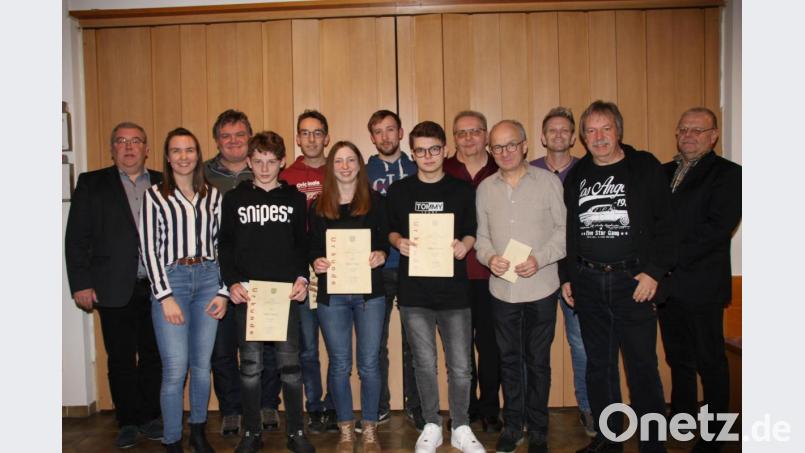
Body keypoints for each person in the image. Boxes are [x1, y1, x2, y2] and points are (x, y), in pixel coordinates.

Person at [561, 101, 674, 453]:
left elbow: (668, 226)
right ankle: (609, 441)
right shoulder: (578, 175)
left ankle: (652, 445)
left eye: (605, 128)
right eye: (591, 131)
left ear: (619, 131)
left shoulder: (644, 167)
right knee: (599, 367)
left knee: (642, 368)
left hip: (633, 284)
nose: (598, 137)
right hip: (589, 284)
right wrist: (568, 276)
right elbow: (570, 230)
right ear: (583, 137)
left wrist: (654, 273)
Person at [387, 121, 485, 453]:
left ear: (444, 150)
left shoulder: (461, 190)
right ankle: (431, 423)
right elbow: (390, 230)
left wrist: (465, 245)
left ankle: (460, 425)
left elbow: (473, 229)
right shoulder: (400, 190)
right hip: (414, 293)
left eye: (433, 149)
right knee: (423, 362)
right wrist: (398, 240)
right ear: (412, 153)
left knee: (460, 365)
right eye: (420, 150)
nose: (427, 156)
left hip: (454, 292)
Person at [65, 122, 163, 449]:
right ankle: (128, 421)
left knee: (155, 355)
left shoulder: (164, 182)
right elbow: (76, 239)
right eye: (121, 141)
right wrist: (80, 283)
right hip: (112, 285)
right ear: (112, 149)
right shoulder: (92, 183)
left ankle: (151, 417)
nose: (129, 147)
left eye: (136, 141)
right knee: (121, 357)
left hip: (158, 287)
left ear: (146, 148)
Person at [218, 130, 315, 453]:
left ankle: (296, 433)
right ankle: (251, 433)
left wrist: (302, 277)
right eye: (257, 161)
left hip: (285, 295)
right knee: (250, 367)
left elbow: (302, 245)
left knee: (290, 367)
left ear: (282, 162)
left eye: (271, 162)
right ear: (249, 161)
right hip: (248, 294)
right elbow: (226, 245)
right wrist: (231, 282)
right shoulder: (234, 199)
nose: (263, 168)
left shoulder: (296, 199)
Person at [475, 119, 566, 453]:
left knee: (537, 361)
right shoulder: (485, 188)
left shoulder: (548, 183)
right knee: (508, 361)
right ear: (491, 151)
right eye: (497, 147)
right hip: (502, 290)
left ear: (526, 145)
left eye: (511, 144)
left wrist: (539, 258)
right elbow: (481, 237)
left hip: (541, 288)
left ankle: (539, 428)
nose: (505, 152)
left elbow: (564, 231)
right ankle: (513, 426)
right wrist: (489, 257)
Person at [140, 127, 229, 452]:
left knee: (202, 366)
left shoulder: (213, 195)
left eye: (189, 150)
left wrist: (222, 291)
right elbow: (149, 250)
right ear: (167, 156)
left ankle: (199, 432)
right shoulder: (154, 196)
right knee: (176, 367)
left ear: (198, 154)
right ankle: (173, 439)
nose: (183, 156)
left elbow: (223, 247)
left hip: (208, 279)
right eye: (176, 150)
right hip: (172, 280)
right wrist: (164, 297)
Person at [659, 107, 741, 453]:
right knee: (678, 358)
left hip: (703, 285)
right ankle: (682, 417)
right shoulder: (664, 172)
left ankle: (716, 433)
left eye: (697, 130)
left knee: (710, 361)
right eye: (683, 129)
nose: (688, 136)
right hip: (667, 286)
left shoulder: (729, 174)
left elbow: (717, 228)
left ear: (714, 135)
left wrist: (667, 257)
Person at [204, 109, 282, 436]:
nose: (233, 141)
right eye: (226, 136)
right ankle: (232, 408)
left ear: (249, 139)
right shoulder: (202, 174)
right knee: (222, 348)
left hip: (260, 274)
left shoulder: (266, 173)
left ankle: (266, 404)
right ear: (217, 141)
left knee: (266, 344)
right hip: (212, 270)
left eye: (239, 135)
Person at [309, 141, 390, 453]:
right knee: (340, 364)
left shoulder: (377, 202)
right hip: (333, 295)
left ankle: (369, 429)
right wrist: (317, 260)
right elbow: (312, 248)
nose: (344, 166)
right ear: (331, 167)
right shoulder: (318, 205)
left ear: (359, 164)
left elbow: (385, 241)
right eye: (338, 161)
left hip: (370, 294)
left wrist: (381, 253)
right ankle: (345, 430)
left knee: (369, 364)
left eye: (350, 160)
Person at [530, 106, 598, 437]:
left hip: (578, 273)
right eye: (551, 130)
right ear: (542, 137)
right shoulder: (528, 172)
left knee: (581, 343)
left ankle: (588, 408)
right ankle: (532, 413)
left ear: (574, 137)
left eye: (564, 130)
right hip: (537, 272)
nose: (558, 135)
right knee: (534, 347)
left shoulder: (588, 171)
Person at [364, 109, 423, 430]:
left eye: (390, 130)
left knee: (415, 340)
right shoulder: (362, 172)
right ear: (372, 137)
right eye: (378, 131)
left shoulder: (418, 167)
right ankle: (380, 406)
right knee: (376, 341)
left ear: (401, 133)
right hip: (379, 267)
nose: (385, 136)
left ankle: (416, 405)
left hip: (416, 266)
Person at [443, 110, 501, 432]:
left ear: (486, 134)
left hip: (492, 274)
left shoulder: (501, 167)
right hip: (453, 274)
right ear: (454, 138)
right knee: (459, 347)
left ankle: (491, 408)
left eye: (475, 131)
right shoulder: (444, 170)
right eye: (462, 133)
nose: (468, 138)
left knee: (491, 346)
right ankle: (467, 408)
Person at [280, 109, 336, 432]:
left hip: (335, 269)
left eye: (318, 132)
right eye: (305, 132)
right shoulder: (287, 176)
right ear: (298, 138)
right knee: (307, 346)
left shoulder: (340, 168)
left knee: (336, 344)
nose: (312, 138)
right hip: (301, 271)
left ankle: (333, 403)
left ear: (326, 137)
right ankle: (314, 405)